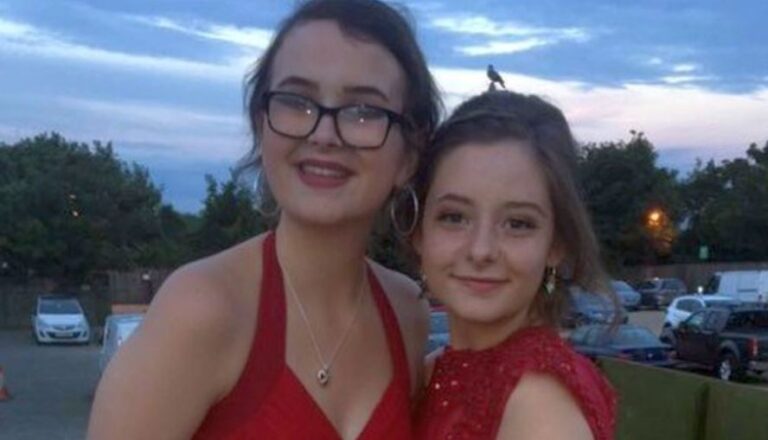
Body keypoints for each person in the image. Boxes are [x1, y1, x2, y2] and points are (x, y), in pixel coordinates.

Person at [87, 0, 441, 438]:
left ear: (409, 154)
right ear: (261, 125)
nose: (323, 134)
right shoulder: (202, 309)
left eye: (364, 110)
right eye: (297, 101)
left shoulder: (408, 311)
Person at [411, 90, 616, 439]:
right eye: (454, 217)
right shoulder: (431, 372)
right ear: (419, 231)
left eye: (518, 223)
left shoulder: (540, 407)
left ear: (556, 245)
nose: (481, 250)